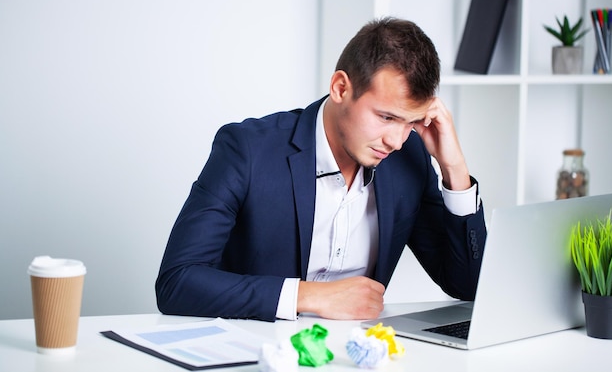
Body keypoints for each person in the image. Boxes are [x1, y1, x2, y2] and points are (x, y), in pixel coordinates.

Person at [156, 17, 487, 322]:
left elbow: (468, 286)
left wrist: (453, 167)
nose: (396, 141)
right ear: (341, 88)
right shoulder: (248, 149)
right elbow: (177, 281)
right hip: (259, 352)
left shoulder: (407, 158)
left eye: (410, 122)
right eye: (386, 117)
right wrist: (309, 296)